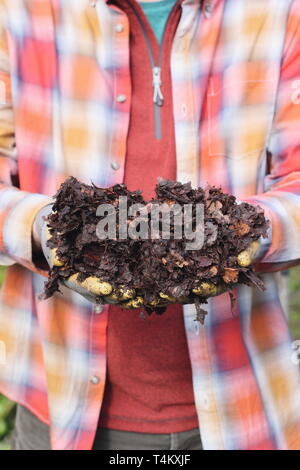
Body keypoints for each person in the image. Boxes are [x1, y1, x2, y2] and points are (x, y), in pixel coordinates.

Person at [0, 0, 300, 451]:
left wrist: (248, 232)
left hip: (243, 404)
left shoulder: (280, 12)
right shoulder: (20, 11)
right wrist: (45, 229)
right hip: (56, 400)